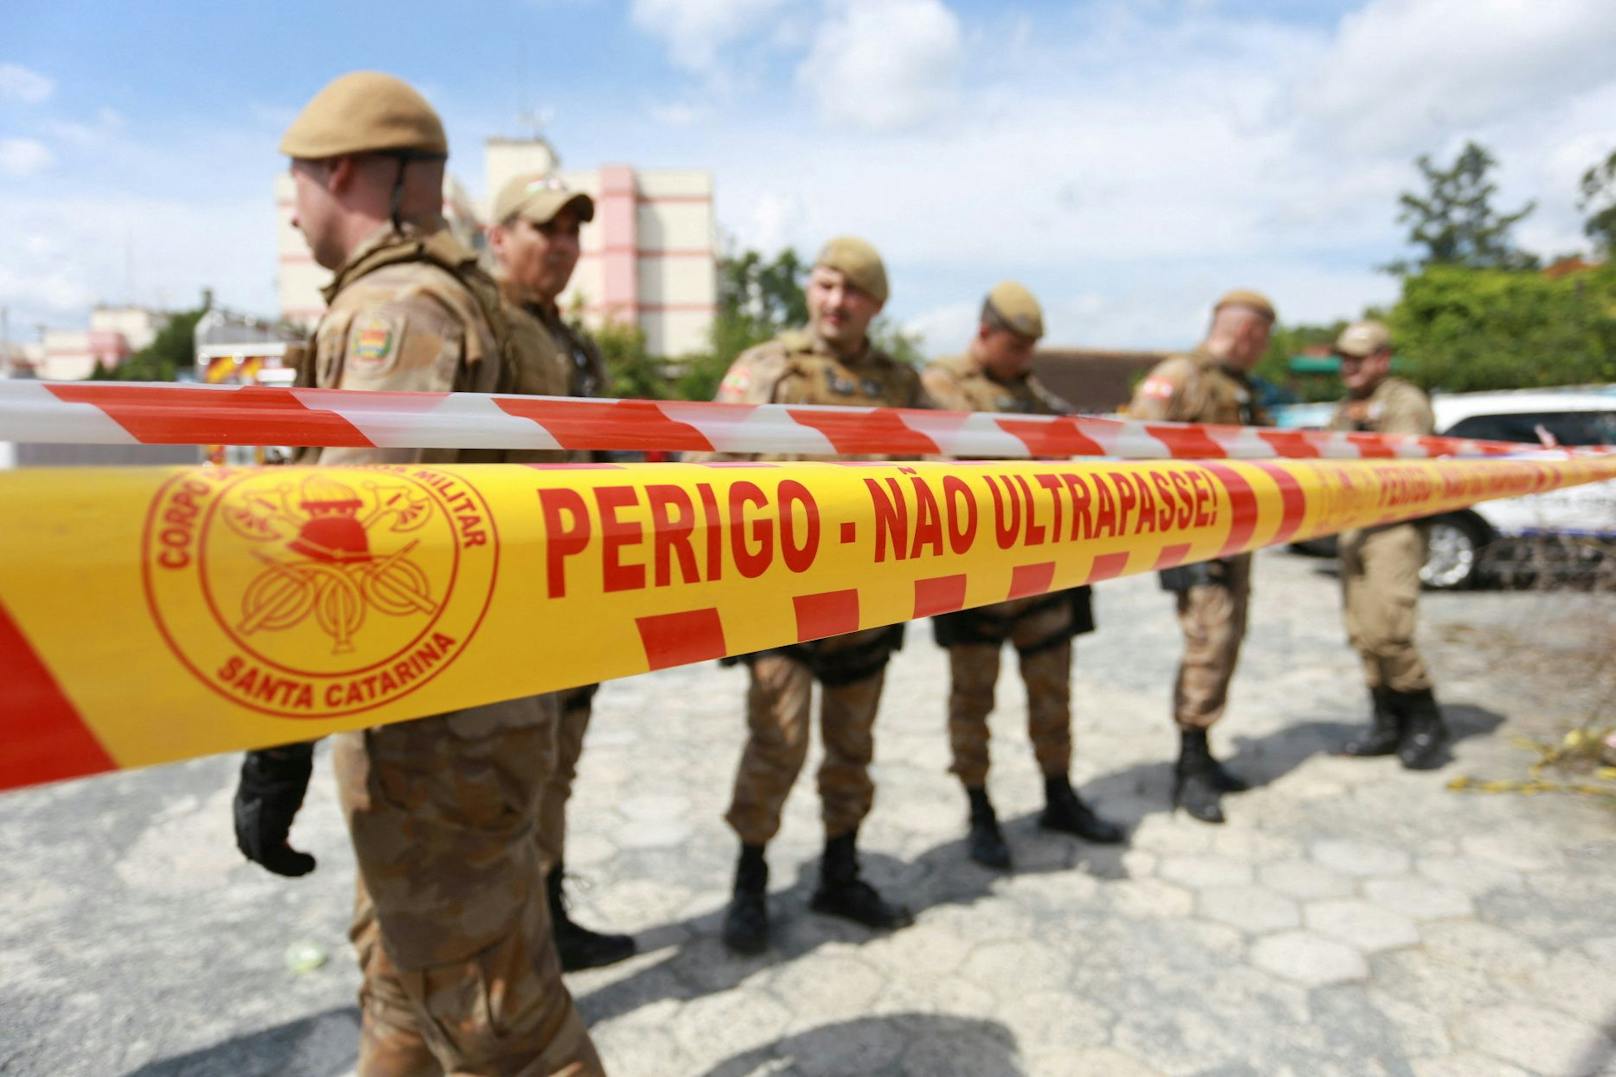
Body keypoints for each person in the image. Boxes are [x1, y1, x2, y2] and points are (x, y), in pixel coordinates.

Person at [234, 71, 600, 1075]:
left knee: (501, 1020)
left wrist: (274, 742)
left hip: (442, 735)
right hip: (446, 721)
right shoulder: (445, 293)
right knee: (400, 976)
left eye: (298, 181)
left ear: (342, 173)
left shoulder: (401, 310)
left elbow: (343, 551)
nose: (293, 205)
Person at [708, 236, 930, 954]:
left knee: (852, 750)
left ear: (878, 304)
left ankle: (840, 870)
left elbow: (946, 473)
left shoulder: (901, 384)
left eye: (855, 291)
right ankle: (750, 880)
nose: (838, 302)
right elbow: (702, 469)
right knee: (777, 744)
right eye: (828, 284)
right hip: (781, 607)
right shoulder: (767, 369)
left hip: (867, 609)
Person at [920, 282, 1124, 869]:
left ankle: (1059, 795)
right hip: (975, 581)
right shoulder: (942, 384)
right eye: (1015, 347)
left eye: (1031, 348)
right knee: (972, 702)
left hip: (1041, 577)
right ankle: (980, 811)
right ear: (984, 334)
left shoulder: (1029, 391)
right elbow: (956, 463)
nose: (1025, 359)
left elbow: (1070, 440)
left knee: (1053, 695)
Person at [488, 172, 636, 971]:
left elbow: (602, 453)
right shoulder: (481, 327)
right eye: (546, 229)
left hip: (571, 598)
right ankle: (500, 942)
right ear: (497, 236)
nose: (564, 247)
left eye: (575, 232)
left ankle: (546, 915)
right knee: (494, 780)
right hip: (500, 599)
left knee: (555, 767)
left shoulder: (573, 344)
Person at [1127, 290, 1276, 824]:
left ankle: (1203, 751)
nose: (1263, 350)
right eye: (1262, 339)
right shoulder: (1181, 375)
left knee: (1227, 639)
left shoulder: (1237, 385)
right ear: (1247, 333)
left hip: (1236, 537)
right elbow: (1137, 447)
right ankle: (1189, 768)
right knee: (1208, 645)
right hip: (1196, 540)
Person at [1328, 320, 1448, 769]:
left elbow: (1402, 463)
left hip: (1394, 526)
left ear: (1382, 359)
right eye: (1344, 358)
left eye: (1359, 358)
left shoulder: (1404, 402)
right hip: (1353, 524)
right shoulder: (1347, 407)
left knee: (1389, 632)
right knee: (1362, 633)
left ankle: (1425, 721)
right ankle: (1385, 723)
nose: (1349, 367)